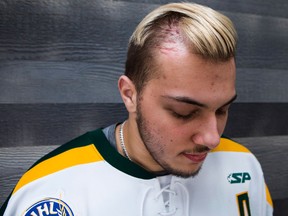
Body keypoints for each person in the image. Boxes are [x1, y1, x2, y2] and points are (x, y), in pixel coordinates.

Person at [0, 2, 273, 216]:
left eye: (222, 110)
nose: (212, 138)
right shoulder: (54, 188)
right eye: (184, 112)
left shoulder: (243, 165)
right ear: (130, 95)